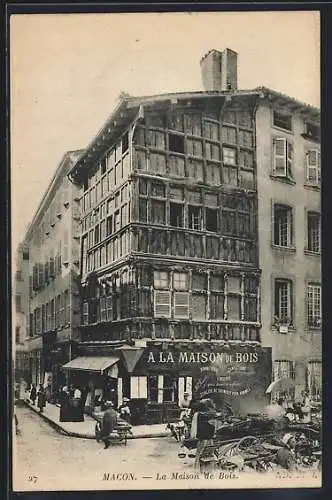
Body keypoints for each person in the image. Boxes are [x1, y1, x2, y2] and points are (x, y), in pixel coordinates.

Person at [193, 400, 217, 469]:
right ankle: (206, 467)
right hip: (208, 437)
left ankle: (197, 466)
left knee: (199, 452)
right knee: (207, 452)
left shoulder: (198, 415)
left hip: (203, 437)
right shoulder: (211, 414)